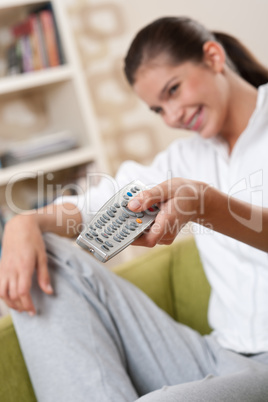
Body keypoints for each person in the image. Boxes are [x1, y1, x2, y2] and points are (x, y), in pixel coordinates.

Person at [1, 16, 268, 402]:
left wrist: (208, 206)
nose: (173, 116)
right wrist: (24, 223)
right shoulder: (182, 157)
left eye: (173, 91)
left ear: (212, 57)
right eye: (158, 109)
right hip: (216, 354)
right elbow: (96, 205)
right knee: (46, 254)